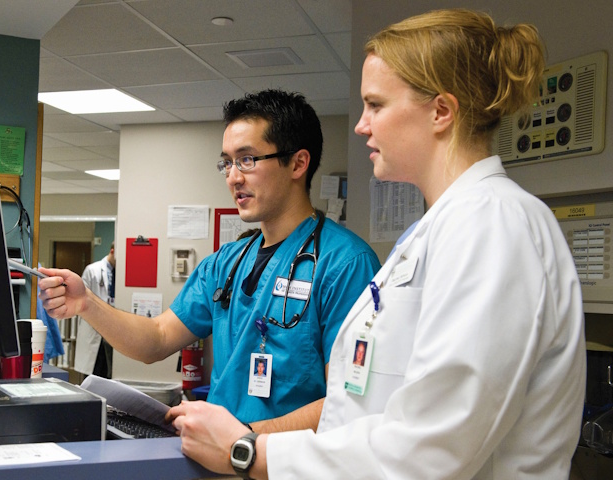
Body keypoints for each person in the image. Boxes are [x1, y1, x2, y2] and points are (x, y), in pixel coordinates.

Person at [166, 9, 586, 479]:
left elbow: (433, 446)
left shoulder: (494, 224)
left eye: (376, 105)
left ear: (441, 111)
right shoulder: (441, 230)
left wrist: (247, 452)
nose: (362, 125)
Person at [39, 89, 380, 432]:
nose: (233, 177)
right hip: (217, 462)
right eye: (227, 162)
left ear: (298, 163)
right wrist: (86, 303)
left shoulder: (345, 265)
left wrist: (242, 438)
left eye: (247, 160)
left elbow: (350, 399)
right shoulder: (225, 264)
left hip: (284, 464)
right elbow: (156, 339)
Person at [73, 242, 115, 379]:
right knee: (93, 376)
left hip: (113, 331)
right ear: (113, 250)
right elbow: (81, 300)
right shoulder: (92, 270)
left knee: (110, 376)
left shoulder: (123, 274)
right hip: (95, 330)